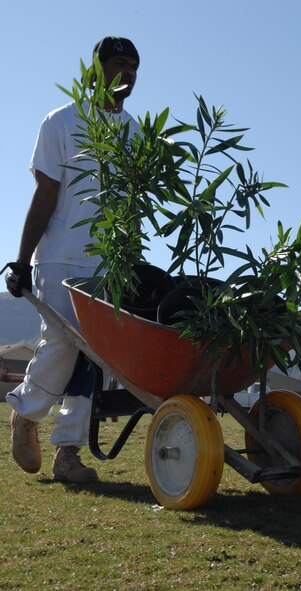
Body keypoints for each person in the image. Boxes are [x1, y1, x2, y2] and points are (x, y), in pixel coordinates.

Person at [2, 37, 141, 483]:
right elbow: (45, 195)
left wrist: (132, 263)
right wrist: (22, 261)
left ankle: (67, 453)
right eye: (119, 63)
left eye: (135, 66)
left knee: (94, 356)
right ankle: (25, 414)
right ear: (96, 68)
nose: (129, 73)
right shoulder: (62, 122)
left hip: (109, 265)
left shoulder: (135, 133)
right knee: (63, 343)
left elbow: (134, 206)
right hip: (61, 257)